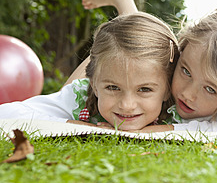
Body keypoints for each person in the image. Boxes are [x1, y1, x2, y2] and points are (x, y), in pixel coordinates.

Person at [68, 0, 217, 132]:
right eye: (186, 71)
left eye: (211, 89)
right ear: (182, 50)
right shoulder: (156, 79)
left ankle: (123, 3)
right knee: (118, 53)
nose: (187, 94)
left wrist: (141, 133)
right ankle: (123, 2)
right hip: (123, 68)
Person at [0, 12, 179, 131]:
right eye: (113, 87)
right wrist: (80, 127)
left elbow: (206, 129)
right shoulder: (79, 95)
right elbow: (5, 114)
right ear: (94, 84)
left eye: (144, 89)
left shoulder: (177, 108)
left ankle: (124, 4)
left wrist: (153, 132)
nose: (127, 105)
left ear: (167, 89)